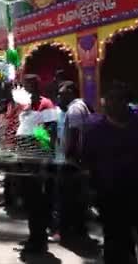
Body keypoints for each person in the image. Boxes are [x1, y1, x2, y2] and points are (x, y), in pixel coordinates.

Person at [82, 82, 138, 264]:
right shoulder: (95, 132)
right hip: (111, 199)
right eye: (109, 100)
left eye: (119, 100)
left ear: (127, 102)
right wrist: (92, 191)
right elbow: (88, 164)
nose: (112, 104)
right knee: (116, 244)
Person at [51, 81, 94, 246]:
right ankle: (78, 231)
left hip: (71, 163)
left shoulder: (75, 109)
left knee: (66, 199)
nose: (59, 97)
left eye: (61, 94)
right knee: (76, 200)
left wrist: (68, 158)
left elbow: (74, 136)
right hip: (78, 163)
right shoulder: (82, 106)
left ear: (71, 92)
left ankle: (66, 234)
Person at [18, 74, 57, 255]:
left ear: (37, 86)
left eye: (30, 86)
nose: (27, 89)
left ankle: (39, 241)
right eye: (25, 86)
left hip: (38, 161)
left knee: (38, 204)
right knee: (30, 202)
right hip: (25, 159)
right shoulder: (24, 106)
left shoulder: (46, 104)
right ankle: (34, 237)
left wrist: (44, 162)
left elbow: (50, 133)